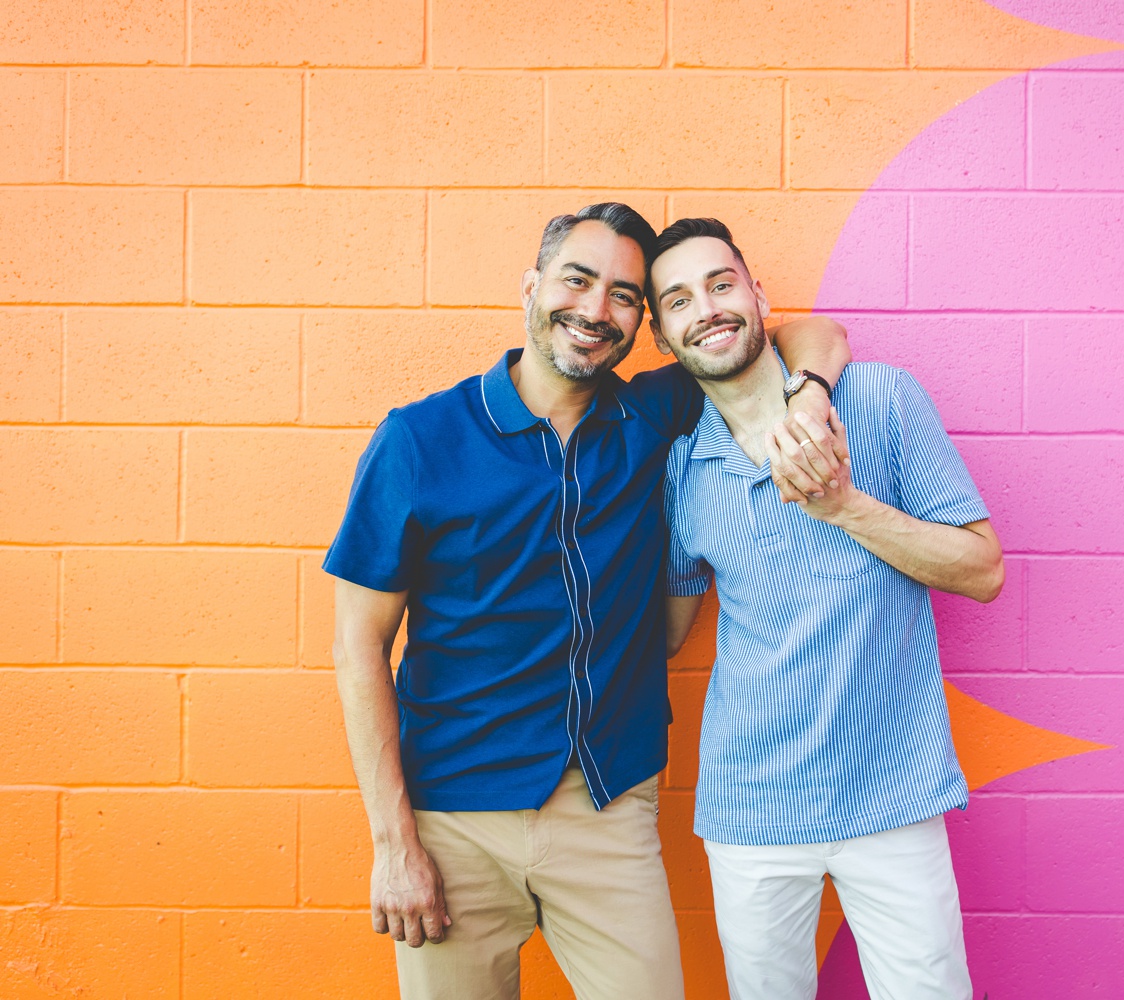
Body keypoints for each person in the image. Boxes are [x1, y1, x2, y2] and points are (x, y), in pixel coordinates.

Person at [324, 203, 850, 1000]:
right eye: (577, 280)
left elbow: (809, 334)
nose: (596, 309)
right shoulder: (418, 440)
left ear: (644, 323)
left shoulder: (651, 414)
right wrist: (396, 845)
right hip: (452, 821)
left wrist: (806, 397)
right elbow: (358, 646)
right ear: (531, 287)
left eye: (624, 296)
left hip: (607, 807)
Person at [651, 218, 1004, 1000]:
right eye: (678, 300)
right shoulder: (683, 467)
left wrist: (843, 506)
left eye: (720, 284)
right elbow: (668, 634)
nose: (706, 308)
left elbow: (982, 571)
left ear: (757, 295)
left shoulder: (881, 399)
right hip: (752, 809)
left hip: (895, 795)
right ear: (662, 336)